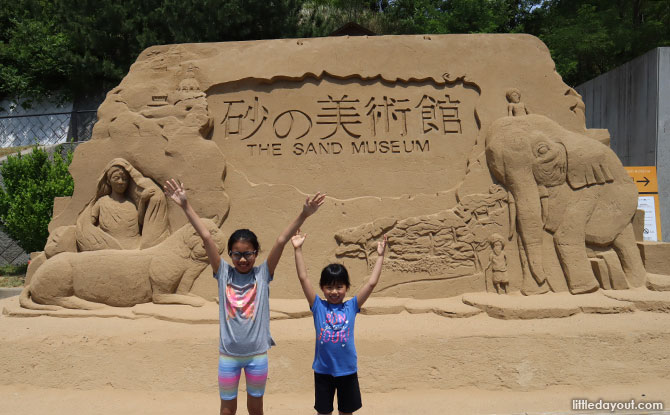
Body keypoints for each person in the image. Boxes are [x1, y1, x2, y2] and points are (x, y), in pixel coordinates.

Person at [164, 179, 325, 415]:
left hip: (257, 357)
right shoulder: (223, 273)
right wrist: (185, 205)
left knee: (255, 408)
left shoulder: (263, 274)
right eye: (237, 254)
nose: (242, 259)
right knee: (227, 409)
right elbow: (207, 238)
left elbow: (281, 241)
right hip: (228, 357)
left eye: (247, 253)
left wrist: (304, 214)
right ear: (229, 254)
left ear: (255, 253)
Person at [292, 231, 387, 415]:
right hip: (323, 371)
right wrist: (298, 250)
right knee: (323, 412)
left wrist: (380, 256)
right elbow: (303, 278)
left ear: (346, 288)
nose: (334, 291)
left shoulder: (352, 306)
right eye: (329, 287)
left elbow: (372, 283)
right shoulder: (318, 306)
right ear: (322, 288)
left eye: (339, 287)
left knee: (346, 412)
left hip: (347, 371)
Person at [76, 158, 169, 251]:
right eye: (116, 178)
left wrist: (143, 201)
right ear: (108, 181)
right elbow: (90, 222)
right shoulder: (102, 202)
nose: (121, 182)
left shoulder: (131, 204)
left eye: (124, 179)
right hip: (110, 246)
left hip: (134, 244)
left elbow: (140, 222)